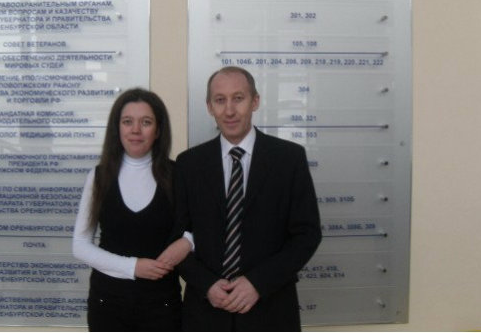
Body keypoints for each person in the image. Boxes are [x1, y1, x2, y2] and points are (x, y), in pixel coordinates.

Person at [174, 67, 322, 331]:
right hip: (205, 314)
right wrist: (206, 284)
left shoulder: (289, 159)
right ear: (209, 107)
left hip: (271, 310)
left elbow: (307, 235)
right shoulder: (189, 164)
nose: (229, 110)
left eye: (238, 98)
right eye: (220, 100)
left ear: (255, 101)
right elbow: (176, 238)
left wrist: (258, 283)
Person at [73, 88, 191, 331]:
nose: (136, 130)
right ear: (117, 128)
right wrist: (133, 267)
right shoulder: (98, 177)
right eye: (127, 122)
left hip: (162, 305)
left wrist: (189, 241)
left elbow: (202, 227)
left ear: (158, 130)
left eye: (146, 122)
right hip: (107, 304)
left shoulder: (178, 174)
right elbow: (80, 246)